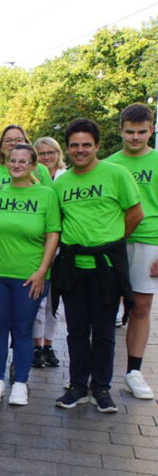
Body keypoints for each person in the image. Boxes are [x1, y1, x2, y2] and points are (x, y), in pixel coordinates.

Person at [51, 118, 142, 413]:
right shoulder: (61, 182)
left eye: (86, 145)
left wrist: (110, 242)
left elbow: (135, 213)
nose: (80, 150)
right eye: (74, 145)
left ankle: (101, 388)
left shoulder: (116, 174)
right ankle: (77, 385)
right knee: (76, 329)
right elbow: (57, 222)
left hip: (106, 267)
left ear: (97, 146)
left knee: (103, 331)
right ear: (67, 148)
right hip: (73, 266)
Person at [0, 144, 61, 405]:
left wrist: (42, 271)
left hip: (30, 275)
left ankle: (20, 383)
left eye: (23, 161)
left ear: (33, 166)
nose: (16, 165)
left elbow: (53, 235)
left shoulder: (46, 194)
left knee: (23, 329)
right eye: (12, 160)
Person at [106, 103, 158, 400]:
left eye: (141, 132)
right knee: (103, 307)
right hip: (113, 242)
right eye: (130, 132)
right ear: (121, 131)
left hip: (149, 240)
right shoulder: (110, 164)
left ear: (151, 130)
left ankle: (134, 372)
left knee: (140, 307)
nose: (135, 138)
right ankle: (95, 373)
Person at [31, 136, 67, 368]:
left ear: (58, 153)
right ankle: (36, 346)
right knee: (38, 300)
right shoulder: (33, 178)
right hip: (38, 245)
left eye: (50, 152)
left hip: (62, 246)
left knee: (54, 301)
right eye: (41, 154)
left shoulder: (66, 177)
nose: (46, 157)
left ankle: (48, 344)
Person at [0, 125, 54, 196]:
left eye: (18, 140)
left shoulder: (40, 170)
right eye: (8, 141)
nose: (13, 143)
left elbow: (49, 198)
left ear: (27, 144)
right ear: (0, 147)